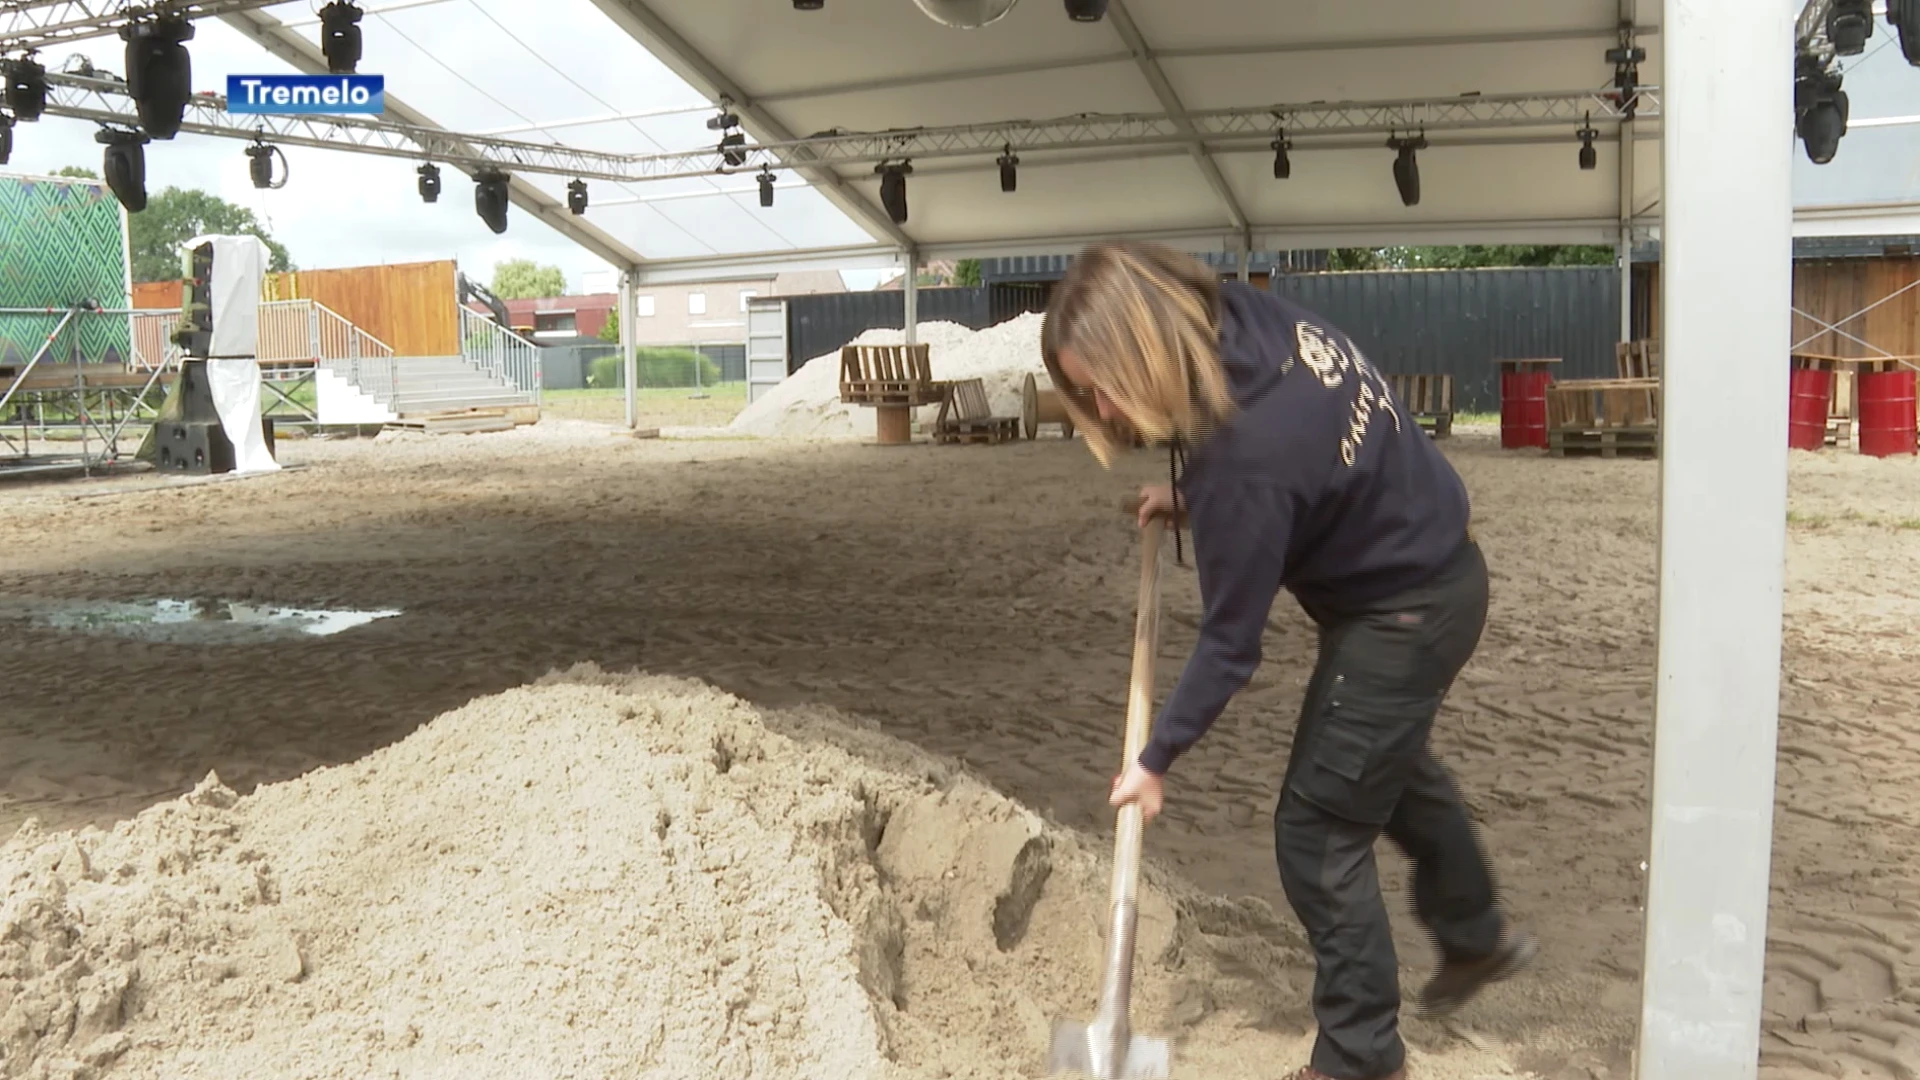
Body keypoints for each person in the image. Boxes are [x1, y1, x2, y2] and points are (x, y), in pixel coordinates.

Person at [1041, 241, 1535, 1080]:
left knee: (1318, 827)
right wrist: (1198, 501)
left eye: (1098, 387)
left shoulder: (1244, 458)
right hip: (1444, 566)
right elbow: (1298, 469)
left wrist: (1155, 759)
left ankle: (1359, 1055)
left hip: (1402, 613)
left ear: (1142, 351)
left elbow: (1231, 646)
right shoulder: (1237, 318)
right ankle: (1475, 932)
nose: (1100, 407)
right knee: (1382, 763)